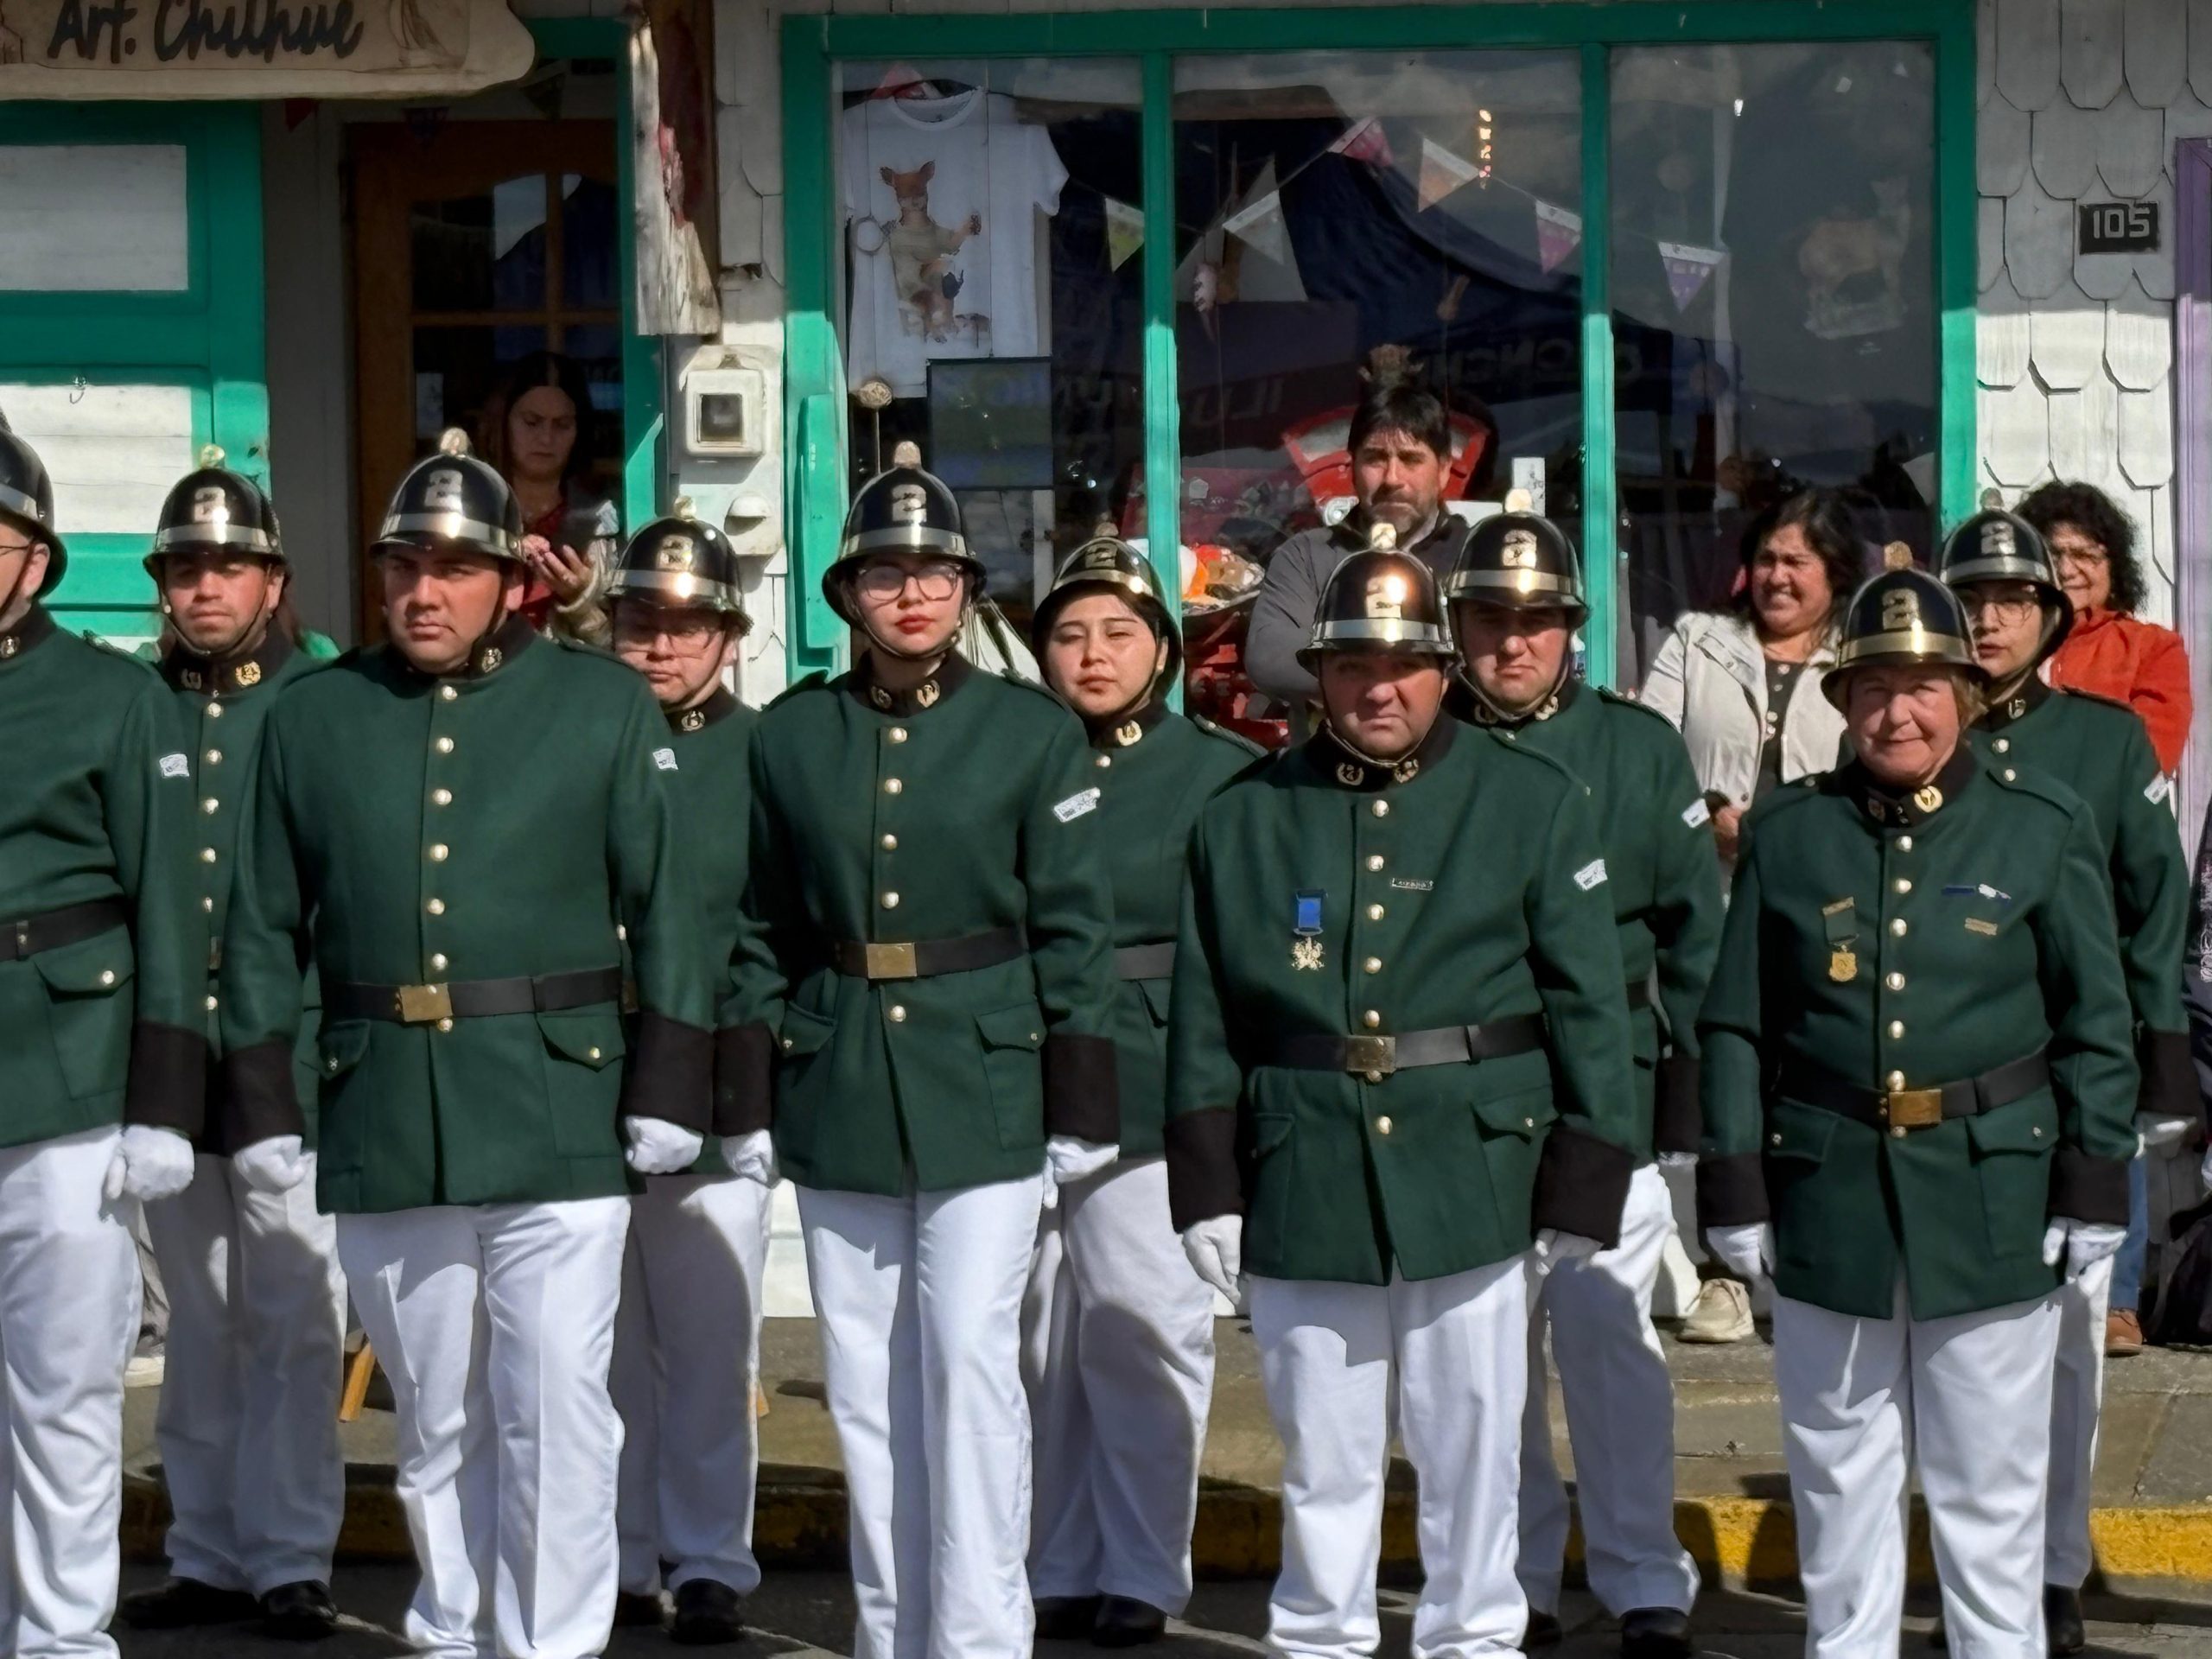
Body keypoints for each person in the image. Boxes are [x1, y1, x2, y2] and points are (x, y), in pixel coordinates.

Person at [216, 429, 715, 1659]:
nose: (422, 593)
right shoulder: (316, 715)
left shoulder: (598, 702)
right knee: (438, 1417)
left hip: (559, 1106)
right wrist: (269, 1103)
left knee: (554, 1410)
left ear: (511, 580)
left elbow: (670, 906)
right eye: (402, 569)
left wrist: (668, 1076)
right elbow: (263, 922)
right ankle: (453, 1635)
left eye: (450, 568)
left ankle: (549, 1644)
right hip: (387, 1108)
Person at [1166, 533, 1639, 1658]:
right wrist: (1207, 1186)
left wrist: (1588, 1174)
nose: (1380, 688)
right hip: (1306, 1164)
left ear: (1446, 670)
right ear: (1317, 674)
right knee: (1322, 1452)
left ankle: (1472, 1641)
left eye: (1405, 665)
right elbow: (1206, 1015)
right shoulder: (1244, 816)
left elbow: (1590, 1004)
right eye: (1352, 666)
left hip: (1472, 1163)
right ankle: (1320, 1639)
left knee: (1472, 1448)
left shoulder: (1529, 798)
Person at [1695, 549, 2138, 1659]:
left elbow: (2094, 1017)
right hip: (1828, 1192)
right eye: (1875, 689)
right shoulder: (1792, 832)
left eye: (1923, 687)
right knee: (1839, 1479)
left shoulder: (2039, 822)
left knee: (1989, 1490)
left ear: (1967, 697)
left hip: (1992, 1192)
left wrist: (2093, 1182)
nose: (1898, 715)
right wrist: (1735, 1182)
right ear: (1842, 700)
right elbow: (1738, 1022)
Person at [723, 442, 1120, 1659]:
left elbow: (1074, 925)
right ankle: (893, 1633)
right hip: (839, 1078)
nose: (911, 594)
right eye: (886, 574)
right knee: (865, 1390)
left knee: (967, 1373)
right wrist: (750, 1088)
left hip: (986, 1081)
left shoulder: (1029, 734)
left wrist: (1081, 1095)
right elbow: (756, 924)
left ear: (966, 592)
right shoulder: (790, 738)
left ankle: (984, 1635)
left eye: (935, 573)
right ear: (848, 595)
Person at [1446, 506, 1720, 1659]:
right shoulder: (1419, 744)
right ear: (1457, 627)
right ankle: (1514, 1585)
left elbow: (1693, 928)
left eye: (1540, 622)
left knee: (1614, 1351)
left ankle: (1643, 1576)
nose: (1515, 645)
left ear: (1575, 629)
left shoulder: (1636, 746)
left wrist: (1694, 1099)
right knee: (1482, 1365)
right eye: (1492, 622)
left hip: (1605, 1088)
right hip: (1463, 1100)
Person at [1936, 504, 2191, 1653]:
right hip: (1953, 1087)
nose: (1988, 619)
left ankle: (2050, 1569)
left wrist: (2148, 1061)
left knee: (2074, 1340)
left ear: (2053, 618)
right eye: (1971, 598)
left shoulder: (2101, 742)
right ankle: (1973, 1572)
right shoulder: (1909, 726)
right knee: (1960, 1349)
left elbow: (2155, 903)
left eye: (2012, 600)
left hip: (2074, 1081)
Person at [120, 449, 348, 1643]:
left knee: (298, 1316)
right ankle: (206, 1547)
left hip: (285, 1058)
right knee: (199, 1321)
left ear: (273, 581)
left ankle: (292, 1553)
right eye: (185, 568)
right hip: (166, 1062)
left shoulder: (319, 701)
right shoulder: (137, 704)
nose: (205, 588)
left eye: (229, 567)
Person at [1020, 534, 1262, 1649]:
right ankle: (1056, 1559)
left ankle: (1144, 1570)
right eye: (1069, 633)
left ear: (1162, 650)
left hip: (1151, 1068)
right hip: (1019, 1063)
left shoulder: (1216, 773)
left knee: (1140, 1328)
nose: (1093, 653)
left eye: (1119, 631)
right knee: (1036, 1340)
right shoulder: (1016, 754)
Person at [0, 423, 207, 1659]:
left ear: (38, 558)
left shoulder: (110, 694)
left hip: (66, 1073)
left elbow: (172, 909)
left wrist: (162, 1100)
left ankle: (65, 1636)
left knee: (62, 1394)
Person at [601, 504, 770, 1647]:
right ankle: (613, 1552)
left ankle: (709, 1556)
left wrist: (751, 1087)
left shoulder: (761, 752)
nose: (660, 646)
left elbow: (774, 928)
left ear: (727, 635)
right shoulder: (574, 732)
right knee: (595, 1347)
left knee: (710, 1339)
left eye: (686, 625)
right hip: (585, 1069)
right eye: (638, 623)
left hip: (712, 1073)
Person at [1638, 489, 1859, 1345]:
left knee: (1804, 1067)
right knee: (1717, 1066)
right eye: (1766, 558)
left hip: (1814, 895)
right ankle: (1724, 1274)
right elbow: (1652, 753)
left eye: (1795, 561)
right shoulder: (1700, 640)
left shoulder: (1855, 654)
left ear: (1833, 571)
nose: (1775, 576)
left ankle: (1806, 1255)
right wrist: (1706, 813)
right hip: (1711, 893)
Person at [1243, 384, 1471, 715]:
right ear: (1351, 468)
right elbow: (1270, 658)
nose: (1392, 478)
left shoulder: (1473, 557)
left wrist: (1344, 666)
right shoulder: (1307, 557)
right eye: (1375, 458)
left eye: (1411, 459)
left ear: (1443, 470)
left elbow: (1501, 661)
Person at [2018, 481, 2193, 778]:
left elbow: (2146, 760)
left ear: (2115, 567)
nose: (2066, 570)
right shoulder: (2003, 639)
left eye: (2084, 556)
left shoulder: (2151, 648)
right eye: (2052, 554)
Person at [478, 350, 620, 642]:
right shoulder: (473, 511)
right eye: (532, 422)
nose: (546, 438)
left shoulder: (602, 524)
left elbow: (620, 648)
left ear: (579, 431)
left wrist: (581, 598)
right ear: (502, 423)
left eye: (562, 425)